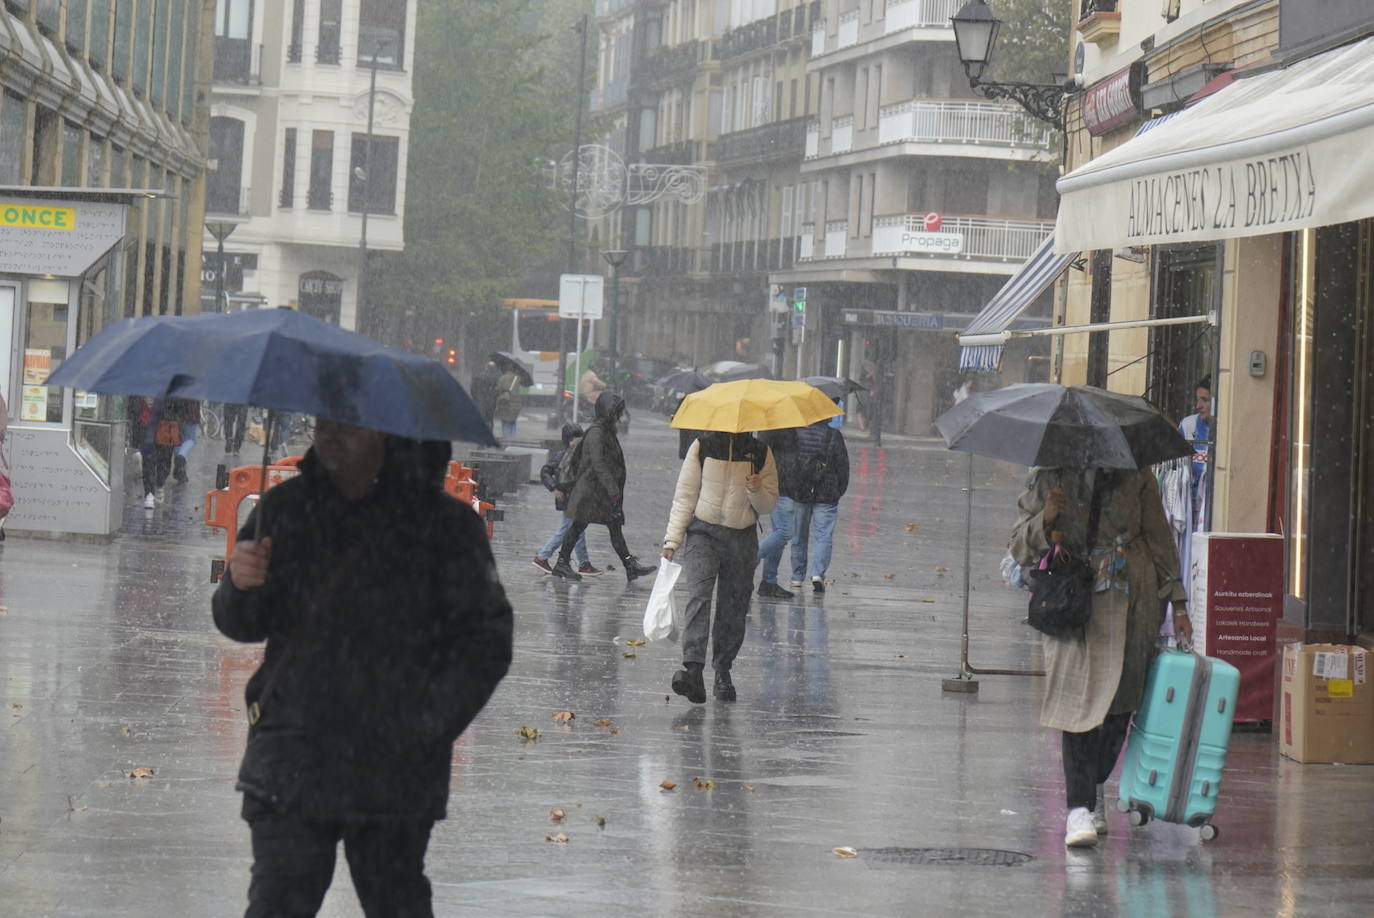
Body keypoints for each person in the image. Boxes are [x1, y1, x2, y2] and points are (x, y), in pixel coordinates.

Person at [212, 420, 513, 917]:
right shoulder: (287, 509)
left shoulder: (444, 527)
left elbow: (487, 641)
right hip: (292, 755)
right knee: (277, 902)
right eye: (324, 422)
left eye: (348, 425)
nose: (330, 434)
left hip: (394, 768)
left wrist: (427, 724)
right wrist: (239, 586)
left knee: (396, 903)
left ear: (389, 432)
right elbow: (241, 624)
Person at [1010, 466, 1191, 849]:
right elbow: (1018, 546)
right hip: (1072, 602)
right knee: (1076, 704)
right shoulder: (1049, 474)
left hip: (1132, 602)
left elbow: (1159, 536)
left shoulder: (1137, 474)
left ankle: (1093, 786)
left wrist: (1178, 603)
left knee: (1119, 708)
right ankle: (1078, 809)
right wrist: (1046, 518)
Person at [662, 431, 778, 703]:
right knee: (698, 598)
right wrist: (672, 540)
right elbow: (685, 496)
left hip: (742, 538)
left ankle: (723, 670)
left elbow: (768, 504)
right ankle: (693, 670)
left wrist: (756, 489)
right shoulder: (703, 446)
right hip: (703, 534)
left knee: (733, 605)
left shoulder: (760, 452)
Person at [551, 392, 655, 584]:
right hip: (591, 492)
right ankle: (562, 562)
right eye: (616, 412)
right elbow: (598, 463)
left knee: (612, 526)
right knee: (579, 526)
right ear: (608, 411)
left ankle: (629, 565)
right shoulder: (597, 432)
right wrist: (613, 490)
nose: (618, 416)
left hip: (599, 492)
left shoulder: (605, 430)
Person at [787, 416, 850, 594]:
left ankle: (797, 576)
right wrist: (839, 490)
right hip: (827, 493)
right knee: (823, 535)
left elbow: (789, 462)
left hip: (801, 491)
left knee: (799, 535)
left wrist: (791, 485)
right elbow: (843, 466)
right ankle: (817, 573)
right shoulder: (834, 435)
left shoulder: (796, 433)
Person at [532, 423, 600, 576]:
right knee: (567, 531)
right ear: (568, 440)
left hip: (577, 498)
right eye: (574, 438)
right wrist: (554, 488)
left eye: (580, 437)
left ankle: (584, 563)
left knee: (577, 531)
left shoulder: (581, 455)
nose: (577, 441)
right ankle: (542, 557)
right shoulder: (563, 455)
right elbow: (545, 471)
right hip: (568, 499)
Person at [755, 427, 801, 600]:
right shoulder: (773, 428)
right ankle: (750, 559)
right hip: (779, 486)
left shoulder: (789, 428)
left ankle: (769, 581)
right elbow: (762, 455)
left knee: (779, 537)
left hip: (787, 486)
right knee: (784, 532)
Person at [141, 398, 176, 509]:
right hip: (147, 426)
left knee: (165, 459)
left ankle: (160, 484)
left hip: (165, 425)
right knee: (148, 461)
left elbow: (176, 405)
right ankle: (149, 494)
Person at [170, 398, 201, 484]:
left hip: (177, 415)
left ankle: (181, 471)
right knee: (191, 439)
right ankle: (181, 459)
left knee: (178, 441)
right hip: (191, 416)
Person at [493, 365, 524, 439]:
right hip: (516, 402)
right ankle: (513, 439)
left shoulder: (502, 378)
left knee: (505, 422)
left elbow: (498, 389)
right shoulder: (518, 378)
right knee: (513, 421)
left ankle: (506, 439)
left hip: (505, 402)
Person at [470, 360, 501, 431]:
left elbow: (473, 389)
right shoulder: (497, 378)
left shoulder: (478, 377)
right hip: (492, 402)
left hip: (480, 401)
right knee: (490, 418)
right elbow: (498, 390)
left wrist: (476, 397)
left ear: (486, 367)